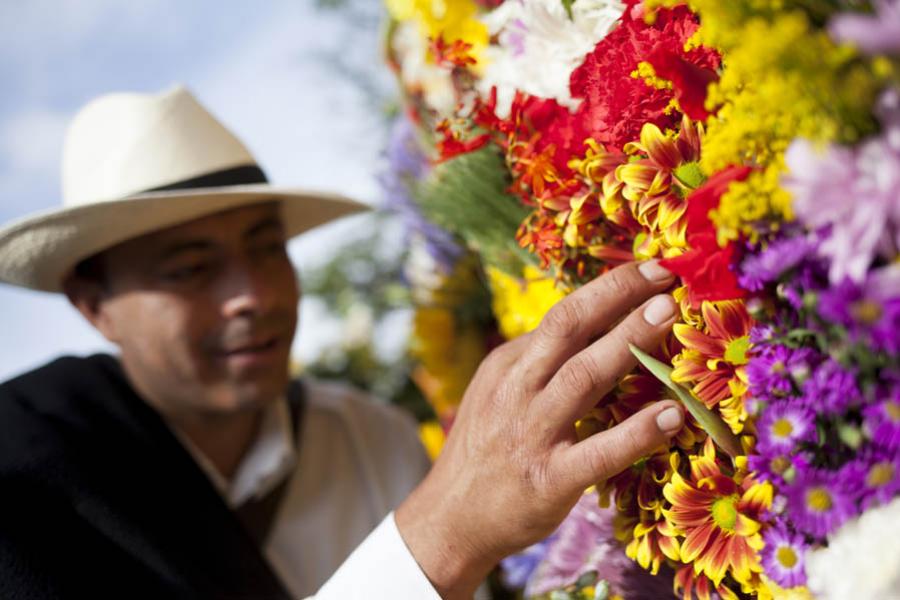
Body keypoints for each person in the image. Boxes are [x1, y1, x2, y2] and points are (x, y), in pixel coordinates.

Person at [0, 86, 684, 599]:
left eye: (268, 250)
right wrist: (445, 533)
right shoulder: (27, 484)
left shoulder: (369, 437)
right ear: (96, 308)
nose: (255, 295)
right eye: (191, 269)